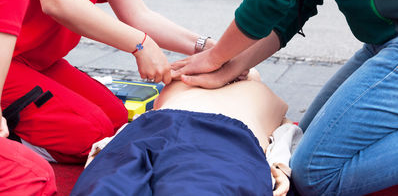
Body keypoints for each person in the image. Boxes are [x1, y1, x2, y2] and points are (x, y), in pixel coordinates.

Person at [171, 0, 398, 195]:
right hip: (382, 39)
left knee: (315, 174)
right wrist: (233, 63)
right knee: (294, 144)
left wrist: (216, 56)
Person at [3, 0, 214, 164]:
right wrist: (140, 45)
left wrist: (210, 50)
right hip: (7, 56)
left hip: (33, 59)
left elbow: (137, 15)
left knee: (115, 120)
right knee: (90, 134)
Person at [70, 71, 302, 196]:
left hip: (205, 135)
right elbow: (285, 135)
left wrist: (278, 166)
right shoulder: (260, 92)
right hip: (211, 138)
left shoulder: (259, 91)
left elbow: (284, 134)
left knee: (108, 183)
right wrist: (278, 167)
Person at [0, 0, 57, 194]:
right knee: (36, 174)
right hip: (19, 60)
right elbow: (58, 0)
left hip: (41, 60)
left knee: (108, 119)